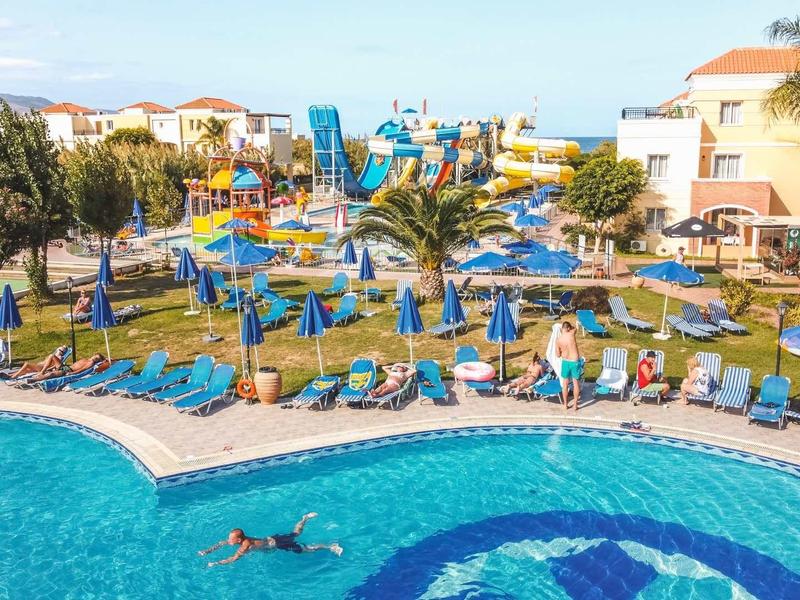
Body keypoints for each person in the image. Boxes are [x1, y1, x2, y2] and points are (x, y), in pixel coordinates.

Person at [199, 512, 342, 567]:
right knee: (295, 533)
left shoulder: (245, 545)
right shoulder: (238, 540)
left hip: (278, 544)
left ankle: (331, 546)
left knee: (306, 550)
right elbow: (221, 543)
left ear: (239, 540)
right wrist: (207, 551)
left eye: (231, 539)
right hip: (271, 539)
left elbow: (234, 558)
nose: (228, 540)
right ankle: (304, 518)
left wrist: (216, 563)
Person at [2, 345, 70, 380]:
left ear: (63, 353)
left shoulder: (59, 358)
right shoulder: (54, 354)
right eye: (59, 349)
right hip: (39, 366)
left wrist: (47, 369)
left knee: (27, 364)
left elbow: (56, 366)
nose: (60, 351)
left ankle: (14, 376)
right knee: (26, 370)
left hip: (41, 367)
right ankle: (9, 376)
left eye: (62, 351)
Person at [27, 353, 105, 383]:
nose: (95, 358)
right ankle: (42, 372)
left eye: (97, 359)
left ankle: (34, 380)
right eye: (96, 357)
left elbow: (82, 370)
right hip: (66, 367)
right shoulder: (86, 359)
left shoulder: (90, 362)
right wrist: (55, 366)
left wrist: (72, 373)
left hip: (68, 370)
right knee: (52, 356)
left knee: (52, 374)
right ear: (93, 354)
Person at [556, 322, 581, 411]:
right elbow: (575, 328)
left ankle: (565, 405)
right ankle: (575, 406)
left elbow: (558, 355)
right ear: (569, 328)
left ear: (561, 329)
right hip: (574, 361)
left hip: (565, 362)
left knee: (565, 384)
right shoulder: (572, 334)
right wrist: (571, 327)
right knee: (575, 383)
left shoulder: (558, 340)